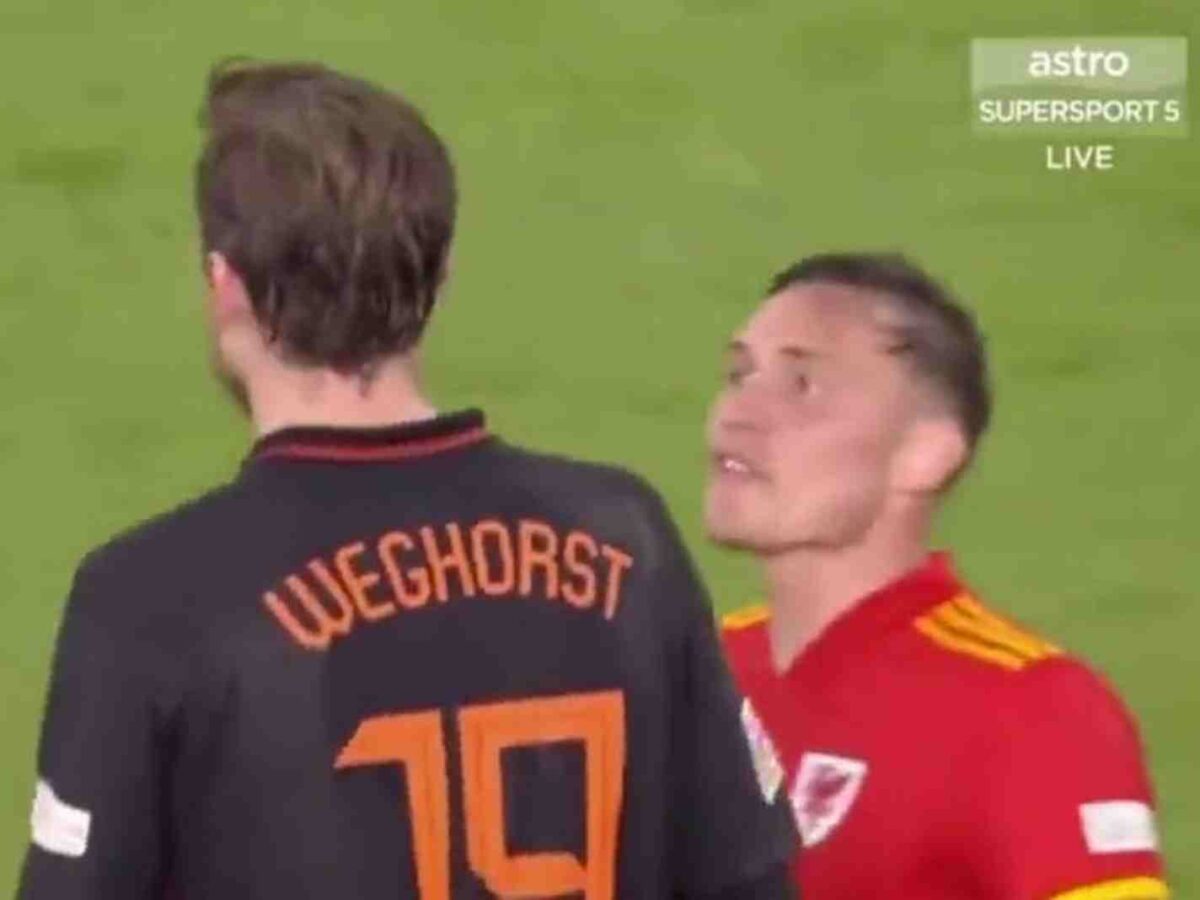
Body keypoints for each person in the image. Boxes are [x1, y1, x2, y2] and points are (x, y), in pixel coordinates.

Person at [17, 61, 797, 900]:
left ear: (224, 284)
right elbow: (748, 879)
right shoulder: (626, 541)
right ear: (440, 270)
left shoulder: (149, 598)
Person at [711, 252, 1168, 899]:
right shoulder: (695, 668)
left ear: (923, 455)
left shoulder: (1033, 712)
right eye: (738, 374)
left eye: (801, 385)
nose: (737, 412)